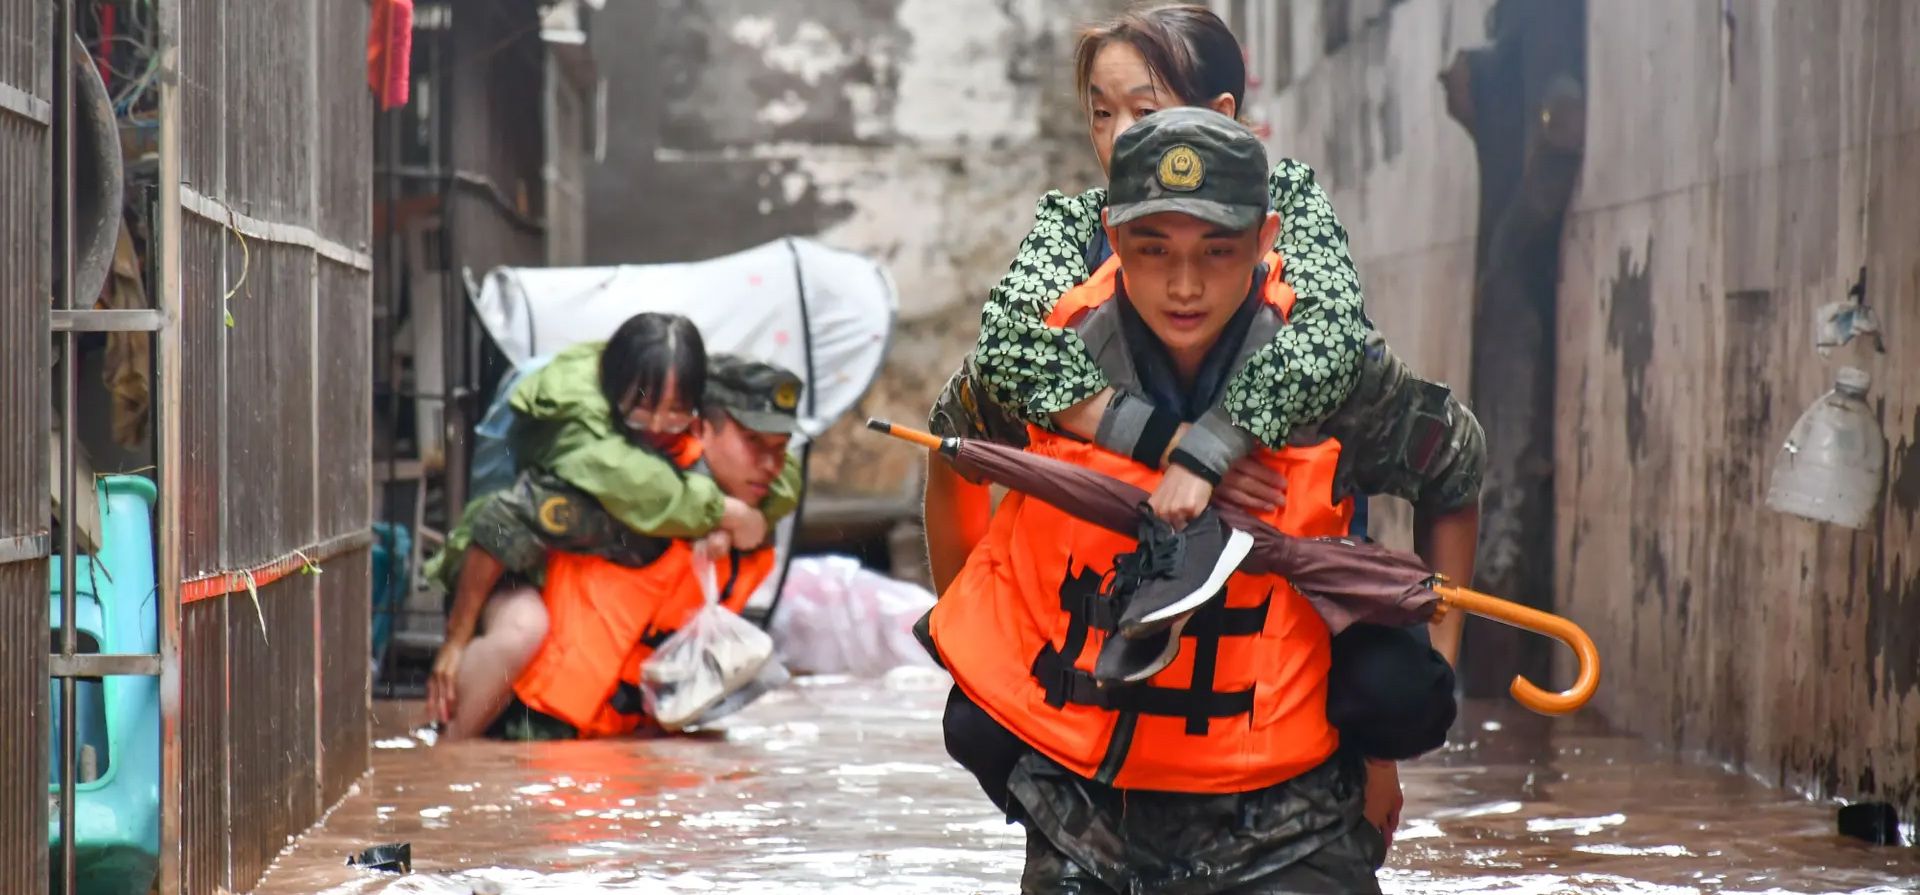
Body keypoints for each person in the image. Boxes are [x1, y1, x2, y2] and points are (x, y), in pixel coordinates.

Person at [923, 3, 1483, 845]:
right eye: (1101, 116)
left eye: (1216, 250)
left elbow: (1348, 364)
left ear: (1258, 238)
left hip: (1277, 664)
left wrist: (1389, 730)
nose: (1184, 284)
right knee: (978, 715)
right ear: (1116, 236)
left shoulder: (1304, 288)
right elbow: (965, 416)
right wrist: (1153, 444)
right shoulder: (1068, 294)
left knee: (1385, 668)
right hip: (1099, 692)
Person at [422, 314, 802, 738]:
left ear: (694, 414)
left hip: (607, 696)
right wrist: (454, 643)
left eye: (675, 413)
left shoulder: (717, 483)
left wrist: (732, 521)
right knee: (522, 629)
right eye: (642, 411)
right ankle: (445, 747)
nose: (657, 428)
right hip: (501, 573)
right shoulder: (609, 473)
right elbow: (497, 527)